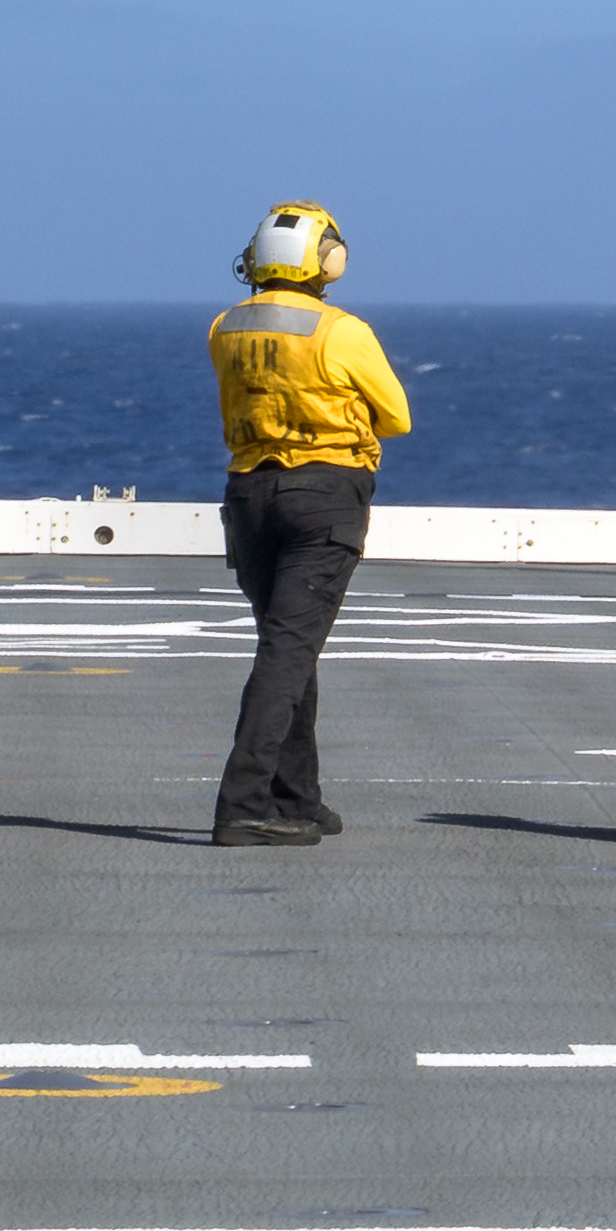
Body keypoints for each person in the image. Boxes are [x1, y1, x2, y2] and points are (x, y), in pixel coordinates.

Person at [203, 201, 416, 850]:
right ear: (326, 259)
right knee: (288, 651)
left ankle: (298, 798)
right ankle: (242, 804)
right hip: (324, 496)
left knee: (289, 644)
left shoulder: (225, 327)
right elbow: (396, 416)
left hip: (249, 496)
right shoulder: (342, 331)